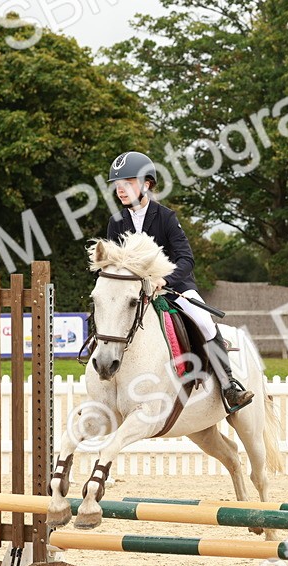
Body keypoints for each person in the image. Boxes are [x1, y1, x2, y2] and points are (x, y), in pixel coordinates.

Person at [104, 151, 253, 411]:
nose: (120, 189)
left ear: (146, 184)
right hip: (136, 293)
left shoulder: (166, 217)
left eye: (128, 183)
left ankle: (229, 385)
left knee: (204, 322)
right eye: (118, 184)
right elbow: (113, 264)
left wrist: (165, 280)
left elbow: (186, 259)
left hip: (174, 289)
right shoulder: (115, 222)